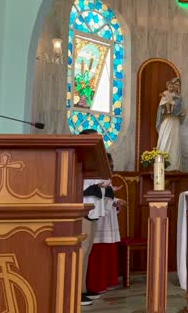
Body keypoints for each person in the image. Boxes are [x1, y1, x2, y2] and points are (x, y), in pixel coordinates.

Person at [78, 128, 111, 306]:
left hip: (93, 211)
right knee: (81, 252)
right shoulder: (77, 159)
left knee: (87, 251)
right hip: (82, 210)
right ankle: (76, 290)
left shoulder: (96, 163)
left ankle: (83, 289)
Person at [86, 153, 127, 294]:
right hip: (96, 219)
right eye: (108, 164)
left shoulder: (106, 178)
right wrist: (112, 198)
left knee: (106, 250)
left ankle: (103, 283)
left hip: (106, 218)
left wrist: (115, 201)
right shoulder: (90, 176)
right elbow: (91, 196)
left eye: (111, 164)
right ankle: (93, 286)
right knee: (96, 253)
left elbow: (106, 197)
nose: (110, 167)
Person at [156, 77, 184, 171]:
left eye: (178, 85)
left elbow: (180, 111)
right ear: (171, 85)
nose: (177, 86)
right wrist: (164, 109)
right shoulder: (166, 94)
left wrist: (180, 113)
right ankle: (162, 165)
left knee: (175, 142)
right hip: (167, 121)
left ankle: (174, 166)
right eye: (175, 84)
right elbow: (161, 108)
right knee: (165, 140)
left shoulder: (179, 98)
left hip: (175, 122)